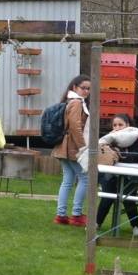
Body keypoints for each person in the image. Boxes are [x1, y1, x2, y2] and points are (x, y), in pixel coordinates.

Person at [95, 114, 138, 237]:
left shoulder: (137, 139)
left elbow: (134, 157)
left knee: (128, 199)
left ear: (128, 125)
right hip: (110, 174)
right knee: (107, 197)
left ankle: (135, 226)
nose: (117, 127)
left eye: (120, 125)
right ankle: (97, 223)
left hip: (130, 175)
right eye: (115, 125)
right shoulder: (107, 139)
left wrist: (119, 154)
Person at [52, 74, 92, 227]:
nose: (86, 91)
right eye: (83, 88)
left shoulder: (71, 100)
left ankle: (61, 215)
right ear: (75, 87)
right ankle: (76, 214)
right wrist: (83, 147)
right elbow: (75, 127)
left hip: (65, 146)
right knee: (85, 178)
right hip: (72, 147)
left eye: (88, 89)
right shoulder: (76, 102)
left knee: (68, 180)